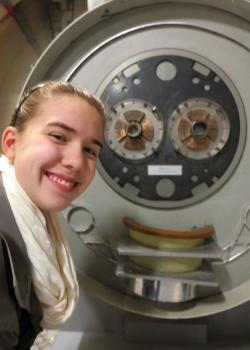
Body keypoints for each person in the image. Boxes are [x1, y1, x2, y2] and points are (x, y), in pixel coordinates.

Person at [0, 80, 105, 349]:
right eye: (58, 136)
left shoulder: (34, 221)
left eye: (90, 150)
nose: (76, 162)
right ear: (12, 143)